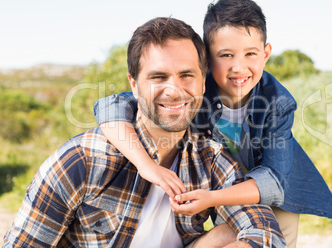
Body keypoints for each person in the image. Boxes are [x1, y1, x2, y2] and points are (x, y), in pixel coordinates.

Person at [4, 17, 286, 248]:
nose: (174, 91)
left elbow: (267, 235)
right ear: (134, 84)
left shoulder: (210, 159)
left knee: (236, 235)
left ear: (203, 83)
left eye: (186, 75)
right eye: (158, 77)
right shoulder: (82, 159)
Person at [94, 0, 332, 247]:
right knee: (229, 233)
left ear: (266, 53)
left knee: (275, 237)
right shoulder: (193, 86)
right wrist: (145, 164)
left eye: (251, 54)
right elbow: (110, 106)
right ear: (206, 56)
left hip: (273, 186)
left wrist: (212, 198)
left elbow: (273, 180)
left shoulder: (277, 101)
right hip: (221, 176)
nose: (239, 67)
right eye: (226, 55)